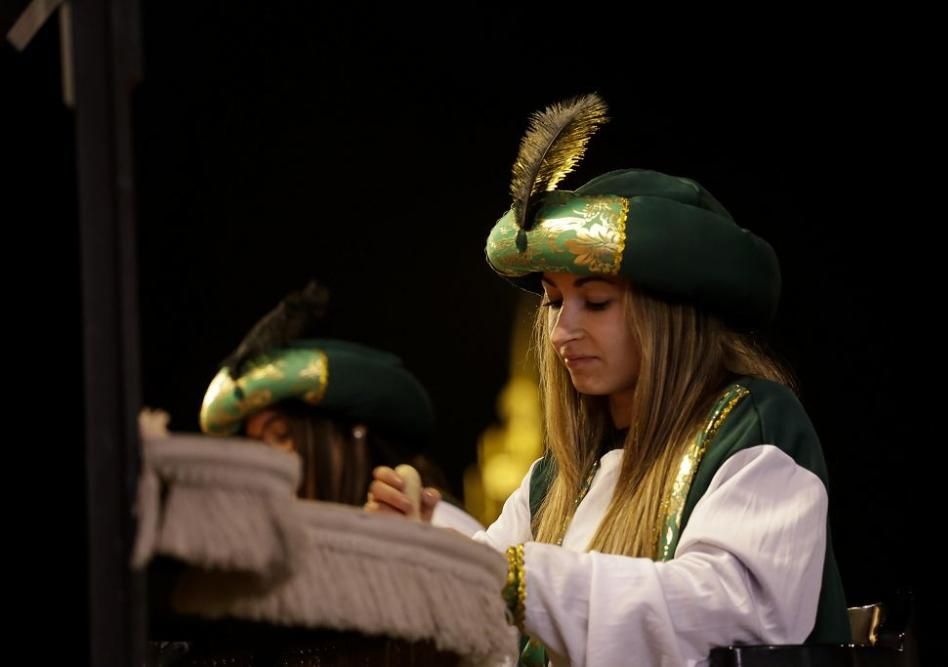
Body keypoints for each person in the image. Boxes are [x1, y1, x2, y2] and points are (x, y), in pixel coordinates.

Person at [365, 94, 850, 666]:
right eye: (553, 301)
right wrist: (422, 544)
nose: (560, 332)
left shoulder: (754, 428)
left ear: (669, 314)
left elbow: (721, 614)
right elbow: (491, 616)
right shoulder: (556, 478)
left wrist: (504, 576)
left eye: (595, 302)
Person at [200, 284, 482, 535]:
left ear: (350, 437)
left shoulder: (436, 526)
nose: (263, 462)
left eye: (281, 435)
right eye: (256, 446)